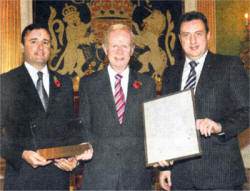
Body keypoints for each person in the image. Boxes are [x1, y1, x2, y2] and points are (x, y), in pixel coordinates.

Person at [158, 11, 249, 190]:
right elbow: (165, 123)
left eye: (198, 34)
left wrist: (220, 126)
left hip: (221, 175)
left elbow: (248, 110)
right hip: (181, 176)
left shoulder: (229, 65)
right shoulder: (170, 74)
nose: (193, 41)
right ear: (179, 38)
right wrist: (165, 167)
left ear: (208, 35)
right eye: (186, 35)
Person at [0, 23, 93, 190]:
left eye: (45, 42)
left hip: (57, 178)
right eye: (34, 41)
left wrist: (74, 159)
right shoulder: (6, 82)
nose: (40, 47)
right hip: (22, 178)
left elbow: (71, 129)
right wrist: (22, 153)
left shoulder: (64, 83)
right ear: (22, 46)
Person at [78, 23, 156, 189]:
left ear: (132, 50)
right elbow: (83, 126)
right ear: (105, 49)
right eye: (114, 46)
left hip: (137, 178)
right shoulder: (88, 84)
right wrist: (83, 149)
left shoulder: (147, 84)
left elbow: (153, 129)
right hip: (99, 178)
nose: (120, 52)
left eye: (125, 46)